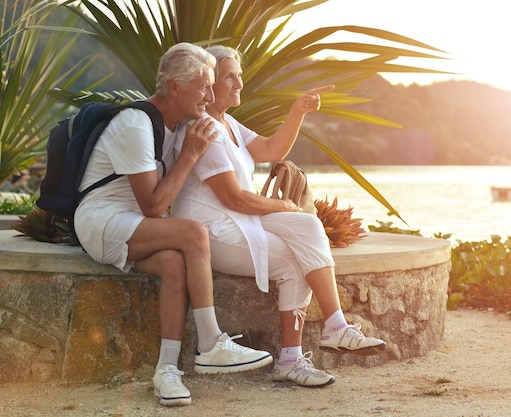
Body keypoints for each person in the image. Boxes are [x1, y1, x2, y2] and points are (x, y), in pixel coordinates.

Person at [171, 45, 386, 388]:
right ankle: (292, 357)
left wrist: (298, 110)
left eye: (239, 76)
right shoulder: (204, 129)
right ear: (209, 85)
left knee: (308, 224)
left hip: (239, 218)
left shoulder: (227, 123)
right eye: (230, 76)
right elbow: (232, 197)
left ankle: (335, 326)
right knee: (294, 257)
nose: (239, 83)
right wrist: (282, 205)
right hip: (212, 227)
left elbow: (271, 150)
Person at [73, 42, 273, 407]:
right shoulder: (135, 123)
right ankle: (211, 343)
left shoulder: (175, 125)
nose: (211, 96)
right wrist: (190, 156)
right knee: (193, 233)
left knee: (174, 262)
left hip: (130, 224)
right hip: (101, 220)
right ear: (174, 87)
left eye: (213, 86)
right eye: (204, 87)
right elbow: (153, 205)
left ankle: (166, 371)